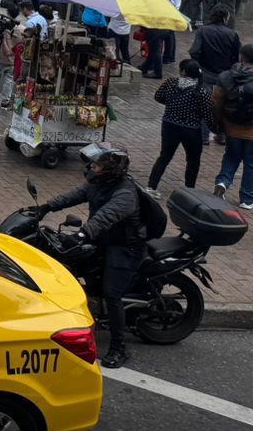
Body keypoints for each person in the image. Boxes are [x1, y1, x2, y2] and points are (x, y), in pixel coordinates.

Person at [31, 143, 146, 368]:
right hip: (104, 239)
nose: (91, 168)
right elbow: (76, 195)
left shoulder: (125, 193)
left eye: (97, 165)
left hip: (125, 247)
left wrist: (83, 233)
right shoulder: (99, 183)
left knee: (111, 293)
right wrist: (46, 207)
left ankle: (119, 347)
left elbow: (105, 217)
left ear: (110, 169)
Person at [147, 59, 213, 192]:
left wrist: (172, 105)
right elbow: (207, 113)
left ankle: (151, 186)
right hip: (191, 129)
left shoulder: (170, 83)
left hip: (169, 125)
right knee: (193, 160)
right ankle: (190, 189)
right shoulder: (201, 91)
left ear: (183, 72)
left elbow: (158, 97)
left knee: (165, 156)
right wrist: (216, 128)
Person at [212, 43, 253, 210]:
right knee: (251, 164)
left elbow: (216, 101)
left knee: (230, 157)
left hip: (232, 126)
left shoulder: (227, 76)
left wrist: (218, 123)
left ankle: (223, 182)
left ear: (241, 56)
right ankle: (247, 199)